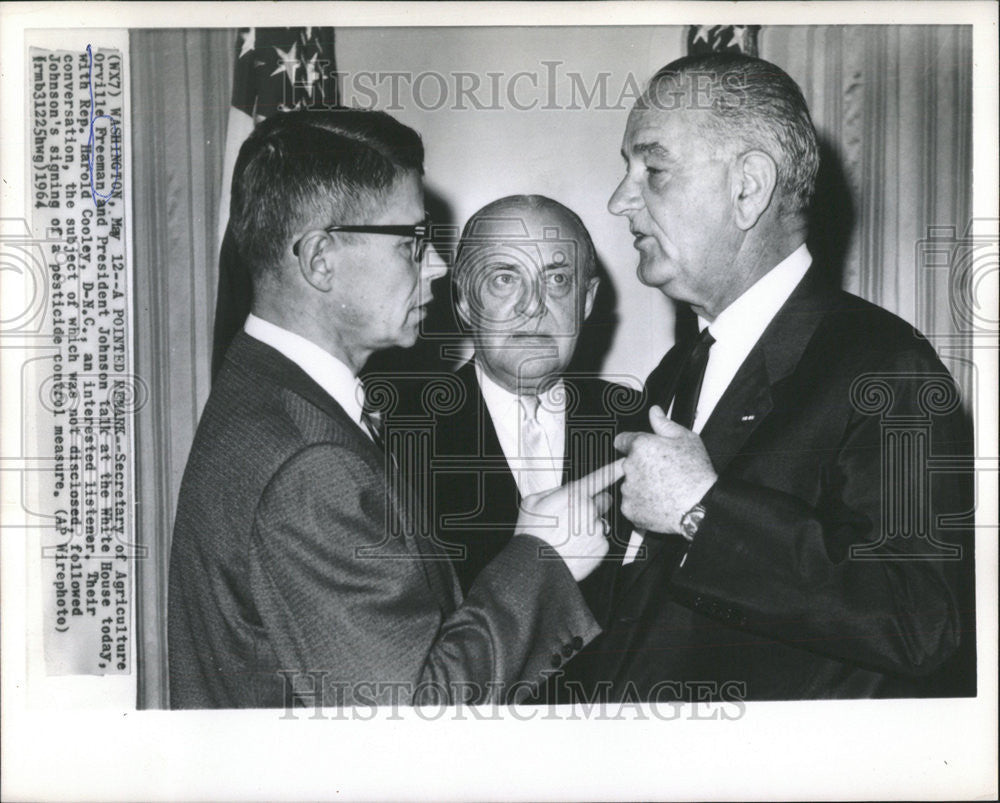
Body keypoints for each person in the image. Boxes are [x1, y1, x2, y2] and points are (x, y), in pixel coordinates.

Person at [168, 109, 621, 709]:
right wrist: (543, 557)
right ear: (320, 259)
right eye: (412, 242)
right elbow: (411, 724)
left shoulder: (268, 392)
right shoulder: (310, 467)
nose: (435, 266)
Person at [563, 52, 975, 702]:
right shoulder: (676, 372)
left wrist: (705, 511)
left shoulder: (885, 366)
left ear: (749, 188)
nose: (620, 200)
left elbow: (923, 621)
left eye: (654, 170)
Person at [383, 195, 640, 598]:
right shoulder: (394, 433)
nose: (532, 306)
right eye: (504, 278)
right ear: (465, 301)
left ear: (587, 300)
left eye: (556, 279)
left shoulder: (640, 424)